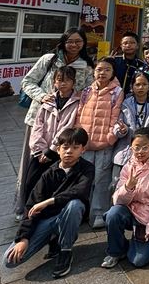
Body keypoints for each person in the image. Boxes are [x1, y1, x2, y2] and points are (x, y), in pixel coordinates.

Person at [15, 27, 94, 218]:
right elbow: (27, 82)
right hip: (40, 119)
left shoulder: (86, 66)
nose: (74, 45)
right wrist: (42, 96)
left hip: (67, 124)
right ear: (63, 42)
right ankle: (24, 207)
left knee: (59, 168)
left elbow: (89, 92)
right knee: (32, 166)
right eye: (70, 41)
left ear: (84, 43)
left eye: (78, 41)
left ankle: (50, 208)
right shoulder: (49, 60)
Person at [4, 127, 94, 279]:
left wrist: (49, 201)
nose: (69, 151)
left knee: (75, 205)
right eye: (65, 147)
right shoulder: (48, 174)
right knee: (9, 260)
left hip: (68, 216)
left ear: (83, 150)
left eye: (75, 147)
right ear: (58, 149)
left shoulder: (87, 169)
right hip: (46, 221)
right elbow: (31, 206)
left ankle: (65, 250)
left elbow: (80, 191)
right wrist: (23, 238)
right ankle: (53, 239)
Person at [102, 126, 149, 269]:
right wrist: (128, 187)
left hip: (147, 217)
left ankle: (143, 239)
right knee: (113, 214)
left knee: (138, 261)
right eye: (136, 147)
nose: (140, 152)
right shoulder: (129, 165)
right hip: (129, 210)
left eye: (145, 147)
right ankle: (116, 251)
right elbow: (117, 201)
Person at [23, 66, 80, 204]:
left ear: (73, 82)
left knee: (52, 187)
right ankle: (28, 210)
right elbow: (37, 126)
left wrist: (51, 150)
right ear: (54, 82)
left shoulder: (77, 102)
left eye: (67, 80)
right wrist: (40, 149)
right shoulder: (48, 100)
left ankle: (46, 211)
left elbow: (67, 128)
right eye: (59, 80)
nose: (63, 83)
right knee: (30, 183)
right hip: (40, 153)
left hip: (59, 152)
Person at [78, 57, 124, 228]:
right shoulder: (86, 91)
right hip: (85, 144)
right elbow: (79, 114)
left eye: (107, 70)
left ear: (113, 73)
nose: (102, 73)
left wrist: (109, 138)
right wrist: (79, 138)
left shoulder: (117, 92)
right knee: (84, 178)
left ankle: (98, 213)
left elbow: (116, 117)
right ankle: (82, 211)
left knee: (101, 178)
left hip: (105, 144)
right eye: (99, 69)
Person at [114, 71, 149, 186]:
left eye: (144, 84)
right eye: (137, 84)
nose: (141, 87)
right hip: (126, 149)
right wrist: (122, 130)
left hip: (147, 152)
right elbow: (117, 125)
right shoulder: (124, 104)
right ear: (132, 87)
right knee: (117, 184)